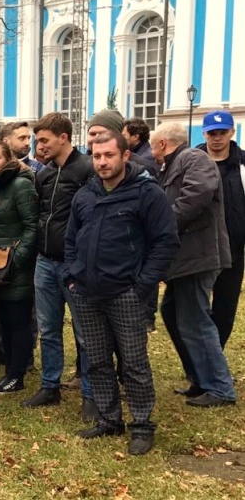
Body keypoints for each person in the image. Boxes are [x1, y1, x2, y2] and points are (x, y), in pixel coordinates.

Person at [65, 130, 179, 455]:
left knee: (133, 363)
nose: (102, 162)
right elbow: (70, 239)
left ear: (125, 156)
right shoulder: (85, 195)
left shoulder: (146, 193)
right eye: (96, 156)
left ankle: (141, 425)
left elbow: (166, 242)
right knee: (97, 360)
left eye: (108, 155)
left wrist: (143, 285)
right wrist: (71, 275)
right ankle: (109, 419)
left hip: (126, 294)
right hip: (87, 293)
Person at [151, 122, 236, 407]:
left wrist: (164, 225)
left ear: (163, 143)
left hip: (198, 256)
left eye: (153, 145)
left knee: (195, 321)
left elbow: (197, 195)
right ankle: (201, 378)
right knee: (172, 311)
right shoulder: (174, 164)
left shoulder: (194, 158)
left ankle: (220, 387)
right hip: (185, 259)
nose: (151, 152)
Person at [23, 113, 97, 418]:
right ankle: (49, 385)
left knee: (85, 332)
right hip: (45, 261)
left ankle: (92, 393)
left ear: (63, 137)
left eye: (44, 140)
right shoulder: (45, 174)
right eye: (37, 140)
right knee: (49, 328)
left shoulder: (87, 169)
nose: (39, 146)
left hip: (75, 263)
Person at [0, 141, 39, 396]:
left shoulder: (20, 185)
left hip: (14, 265)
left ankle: (17, 375)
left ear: (7, 159)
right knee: (2, 320)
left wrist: (16, 260)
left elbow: (32, 226)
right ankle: (9, 371)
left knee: (18, 321)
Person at [198, 111, 245, 349]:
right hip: (199, 249)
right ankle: (199, 358)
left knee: (225, 309)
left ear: (232, 132)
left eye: (222, 132)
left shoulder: (242, 164)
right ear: (204, 134)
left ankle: (215, 354)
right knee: (194, 309)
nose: (217, 138)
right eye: (212, 133)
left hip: (233, 251)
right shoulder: (191, 161)